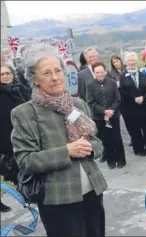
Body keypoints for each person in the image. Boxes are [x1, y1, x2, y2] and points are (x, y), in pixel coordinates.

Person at [11, 44, 107, 237]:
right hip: (58, 200)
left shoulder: (77, 104)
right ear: (34, 78)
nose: (55, 77)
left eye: (57, 71)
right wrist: (67, 151)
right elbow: (25, 161)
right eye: (46, 73)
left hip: (92, 192)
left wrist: (90, 147)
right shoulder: (25, 113)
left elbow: (98, 144)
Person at [0, 64, 32, 212]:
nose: (5, 76)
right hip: (5, 137)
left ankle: (27, 193)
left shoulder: (20, 89)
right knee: (10, 168)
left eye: (8, 73)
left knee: (23, 166)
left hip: (24, 134)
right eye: (2, 74)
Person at [87, 61, 126, 169]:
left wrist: (111, 110)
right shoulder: (90, 85)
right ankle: (111, 160)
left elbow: (117, 99)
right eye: (97, 72)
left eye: (101, 72)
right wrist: (104, 111)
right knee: (106, 139)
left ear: (104, 71)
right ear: (94, 73)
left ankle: (121, 159)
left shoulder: (112, 82)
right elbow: (91, 102)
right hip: (100, 117)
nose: (100, 74)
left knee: (116, 138)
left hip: (114, 116)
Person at [119, 52, 146, 156]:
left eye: (133, 60)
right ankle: (139, 149)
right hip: (130, 107)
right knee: (135, 130)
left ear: (136, 61)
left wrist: (143, 97)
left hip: (143, 106)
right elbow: (121, 91)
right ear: (126, 62)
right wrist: (133, 98)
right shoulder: (123, 76)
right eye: (129, 61)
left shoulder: (142, 74)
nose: (131, 62)